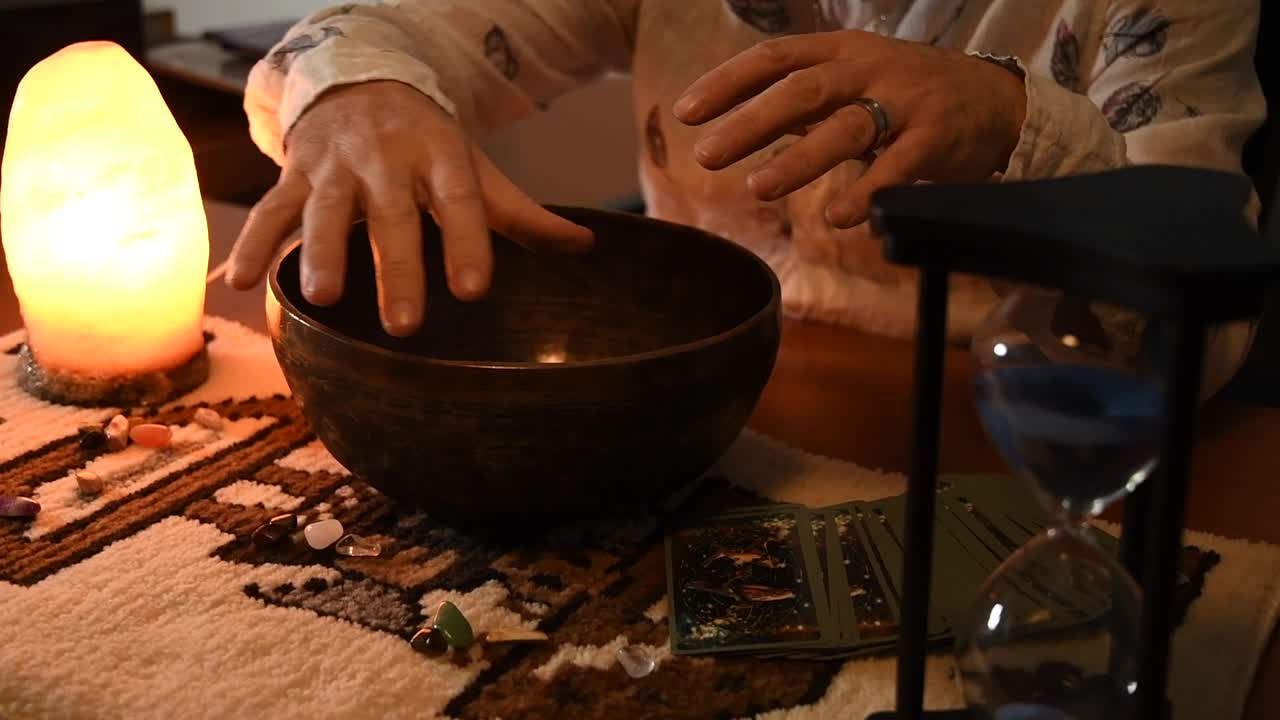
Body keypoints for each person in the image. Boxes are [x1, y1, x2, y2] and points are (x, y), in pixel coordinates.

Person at [227, 0, 1265, 395]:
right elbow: (380, 32)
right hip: (718, 425)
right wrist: (356, 99)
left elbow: (1208, 344)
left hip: (985, 446)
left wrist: (1016, 125)